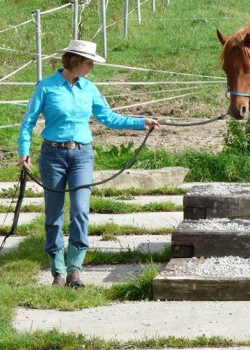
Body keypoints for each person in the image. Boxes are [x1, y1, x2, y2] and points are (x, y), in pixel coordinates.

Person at [18, 39, 159, 288]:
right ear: (75, 61)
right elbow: (28, 121)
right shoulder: (46, 87)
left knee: (81, 212)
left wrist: (141, 122)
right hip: (53, 156)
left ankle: (75, 269)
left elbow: (108, 117)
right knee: (53, 214)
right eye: (89, 62)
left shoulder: (89, 89)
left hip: (82, 155)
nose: (91, 66)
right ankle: (57, 270)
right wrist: (23, 151)